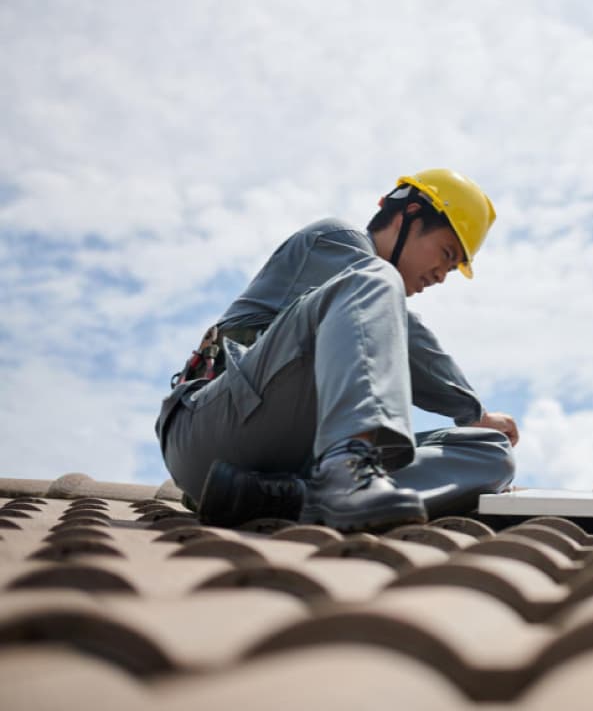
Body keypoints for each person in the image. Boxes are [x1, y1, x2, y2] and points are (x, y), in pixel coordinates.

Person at [156, 169, 518, 532]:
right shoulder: (336, 241)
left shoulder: (370, 285)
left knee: (490, 451)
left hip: (283, 460)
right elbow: (411, 341)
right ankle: (348, 474)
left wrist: (479, 426)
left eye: (453, 267)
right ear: (407, 216)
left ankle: (296, 498)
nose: (442, 275)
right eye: (446, 253)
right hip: (208, 433)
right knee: (376, 278)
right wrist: (474, 411)